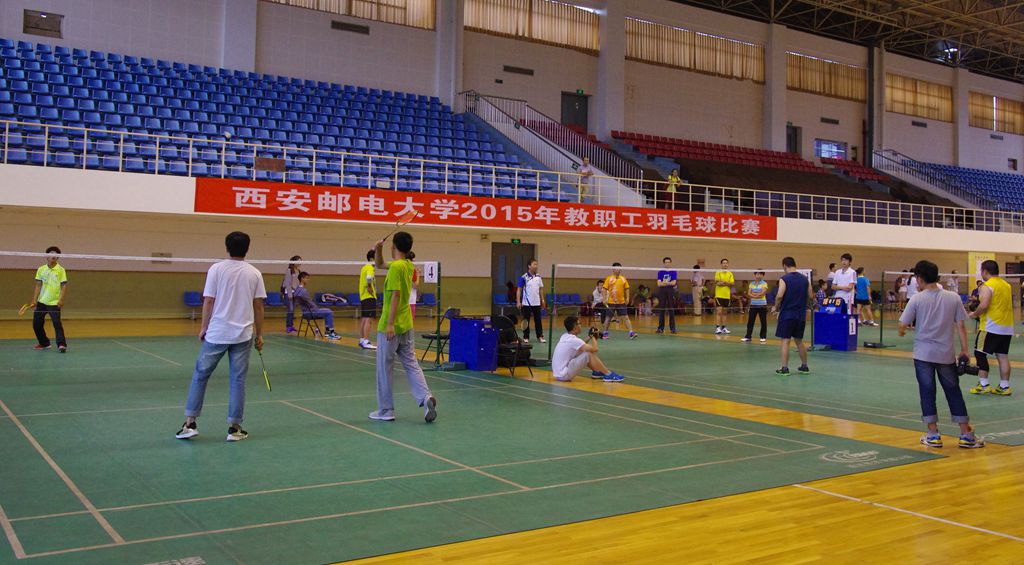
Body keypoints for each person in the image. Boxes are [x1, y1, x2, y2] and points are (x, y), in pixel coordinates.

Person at [176, 231, 266, 442]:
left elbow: (209, 300)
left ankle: (190, 423)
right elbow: (259, 306)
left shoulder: (215, 269)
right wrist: (260, 334)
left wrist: (203, 327)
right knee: (238, 380)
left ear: (227, 247)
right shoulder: (254, 273)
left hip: (217, 334)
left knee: (200, 376)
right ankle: (234, 428)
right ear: (247, 249)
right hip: (243, 335)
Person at [898, 260, 983, 448]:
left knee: (927, 392)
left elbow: (902, 324)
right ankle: (966, 434)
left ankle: (933, 434)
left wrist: (902, 331)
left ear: (919, 278)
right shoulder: (953, 297)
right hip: (946, 354)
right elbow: (961, 326)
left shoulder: (917, 299)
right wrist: (965, 351)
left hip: (923, 355)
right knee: (953, 391)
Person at [370, 232, 437, 423]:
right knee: (411, 364)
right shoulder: (407, 265)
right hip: (407, 324)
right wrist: (378, 250)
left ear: (394, 246)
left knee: (384, 368)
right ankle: (426, 398)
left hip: (391, 326)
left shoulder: (396, 268)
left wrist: (390, 323)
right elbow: (379, 264)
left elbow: (396, 296)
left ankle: (386, 410)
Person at [968, 260, 1014, 396]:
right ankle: (1004, 386)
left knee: (979, 353)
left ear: (985, 271)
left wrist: (974, 314)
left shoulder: (987, 286)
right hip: (1007, 327)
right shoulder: (1006, 285)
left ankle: (983, 384)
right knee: (1002, 356)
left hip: (990, 326)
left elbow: (984, 305)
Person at [552, 316, 625, 382]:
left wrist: (590, 336)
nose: (581, 325)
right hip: (564, 375)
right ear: (575, 327)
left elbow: (581, 345)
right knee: (588, 354)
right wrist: (594, 337)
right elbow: (595, 349)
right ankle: (608, 374)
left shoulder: (565, 336)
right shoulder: (573, 340)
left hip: (559, 374)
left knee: (583, 351)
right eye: (579, 324)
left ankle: (596, 372)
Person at [771, 257, 811, 375]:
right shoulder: (805, 279)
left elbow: (779, 295)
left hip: (787, 314)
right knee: (799, 341)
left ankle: (784, 368)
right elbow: (810, 295)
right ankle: (804, 366)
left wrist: (775, 307)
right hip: (800, 315)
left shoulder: (784, 279)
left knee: (785, 341)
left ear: (784, 266)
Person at [30, 246, 68, 352]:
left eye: (56, 254)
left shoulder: (61, 270)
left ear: (58, 257)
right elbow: (38, 285)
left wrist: (61, 299)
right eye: (51, 253)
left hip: (54, 302)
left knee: (57, 323)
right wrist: (34, 300)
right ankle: (44, 343)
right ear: (47, 256)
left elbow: (64, 285)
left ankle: (61, 344)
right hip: (41, 302)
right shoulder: (41, 269)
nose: (53, 256)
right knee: (36, 324)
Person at [293, 272, 341, 340]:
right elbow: (310, 303)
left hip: (305, 312)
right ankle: (330, 332)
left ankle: (328, 332)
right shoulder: (303, 291)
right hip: (310, 312)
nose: (308, 280)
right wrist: (316, 308)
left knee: (327, 310)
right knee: (329, 312)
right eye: (307, 278)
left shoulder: (297, 290)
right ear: (302, 279)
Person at [603, 263, 637, 339]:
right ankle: (605, 333)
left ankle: (631, 332)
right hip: (611, 302)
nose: (618, 269)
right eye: (616, 268)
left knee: (626, 317)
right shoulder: (609, 279)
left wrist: (627, 298)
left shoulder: (623, 278)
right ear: (613, 269)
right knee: (608, 318)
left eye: (619, 268)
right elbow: (604, 289)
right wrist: (604, 299)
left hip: (621, 302)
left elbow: (627, 288)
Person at [516, 258, 546, 344]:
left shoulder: (538, 277)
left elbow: (540, 289)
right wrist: (518, 301)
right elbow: (519, 290)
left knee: (538, 320)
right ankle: (526, 337)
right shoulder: (524, 277)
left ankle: (540, 336)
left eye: (536, 264)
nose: (536, 266)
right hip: (526, 303)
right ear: (529, 266)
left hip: (536, 303)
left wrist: (542, 300)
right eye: (534, 264)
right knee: (526, 321)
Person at [742, 270, 768, 343]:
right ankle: (748, 336)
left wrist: (754, 294)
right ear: (755, 274)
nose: (759, 275)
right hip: (753, 305)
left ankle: (763, 337)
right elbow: (749, 293)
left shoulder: (764, 283)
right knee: (750, 321)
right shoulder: (752, 284)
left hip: (762, 305)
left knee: (763, 321)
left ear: (763, 275)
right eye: (757, 274)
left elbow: (762, 293)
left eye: (761, 274)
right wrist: (756, 295)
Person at [358, 249, 377, 350]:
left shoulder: (364, 267)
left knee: (364, 318)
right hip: (369, 296)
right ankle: (366, 340)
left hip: (363, 296)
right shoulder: (370, 267)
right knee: (369, 319)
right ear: (372, 258)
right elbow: (369, 278)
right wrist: (369, 286)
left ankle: (362, 340)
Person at [656, 256, 678, 334]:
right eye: (666, 262)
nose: (667, 264)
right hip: (662, 291)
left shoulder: (673, 272)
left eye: (668, 262)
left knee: (671, 309)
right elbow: (659, 284)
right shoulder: (660, 272)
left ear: (671, 263)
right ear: (664, 263)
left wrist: (665, 283)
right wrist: (668, 283)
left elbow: (674, 283)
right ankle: (660, 328)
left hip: (670, 291)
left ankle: (673, 328)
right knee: (662, 309)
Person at [281, 255, 302, 334]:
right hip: (288, 293)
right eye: (298, 261)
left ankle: (291, 326)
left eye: (300, 261)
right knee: (290, 310)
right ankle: (288, 327)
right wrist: (290, 294)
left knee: (292, 311)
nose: (300, 263)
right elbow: (287, 283)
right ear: (294, 262)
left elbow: (298, 283)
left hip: (295, 293)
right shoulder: (289, 270)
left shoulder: (299, 271)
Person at [713, 258, 734, 334]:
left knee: (725, 312)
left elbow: (732, 284)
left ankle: (724, 327)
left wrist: (724, 282)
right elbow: (718, 283)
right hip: (719, 295)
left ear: (728, 264)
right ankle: (717, 327)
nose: (725, 264)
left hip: (727, 295)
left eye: (726, 263)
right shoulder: (718, 272)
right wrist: (727, 283)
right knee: (719, 311)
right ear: (721, 264)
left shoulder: (730, 273)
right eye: (723, 263)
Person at [408, 250, 420, 319]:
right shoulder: (412, 270)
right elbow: (415, 285)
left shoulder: (401, 269)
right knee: (410, 321)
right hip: (410, 300)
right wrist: (418, 274)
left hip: (402, 300)